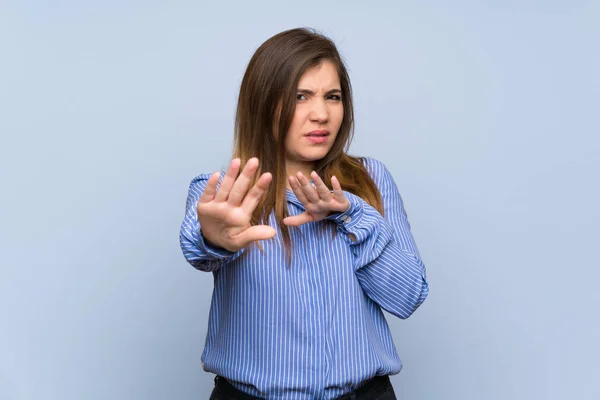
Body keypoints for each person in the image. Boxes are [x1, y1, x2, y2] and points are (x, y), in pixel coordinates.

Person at [179, 27, 429, 400]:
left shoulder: (371, 180)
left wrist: (351, 216)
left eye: (333, 97)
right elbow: (199, 249)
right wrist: (214, 240)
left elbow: (407, 296)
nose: (321, 114)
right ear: (263, 104)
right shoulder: (222, 194)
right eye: (300, 96)